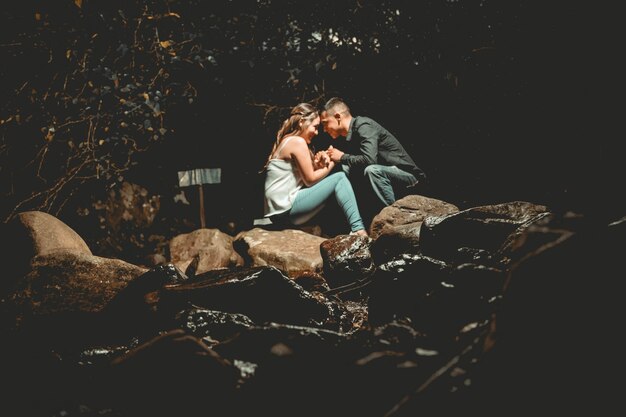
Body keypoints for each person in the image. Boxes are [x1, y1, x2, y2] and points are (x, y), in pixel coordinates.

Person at [262, 102, 367, 236]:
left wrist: (321, 163)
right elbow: (310, 180)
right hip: (286, 210)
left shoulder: (288, 140)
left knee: (335, 189)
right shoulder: (297, 142)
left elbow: (307, 175)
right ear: (302, 122)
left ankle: (330, 231)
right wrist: (334, 161)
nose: (317, 132)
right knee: (339, 178)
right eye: (315, 127)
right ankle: (358, 229)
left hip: (278, 213)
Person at [321, 97, 427, 207]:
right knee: (346, 169)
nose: (324, 129)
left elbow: (370, 160)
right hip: (390, 176)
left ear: (338, 116)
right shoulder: (351, 136)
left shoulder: (363, 126)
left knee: (372, 170)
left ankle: (394, 215)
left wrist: (342, 157)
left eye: (325, 123)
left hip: (409, 177)